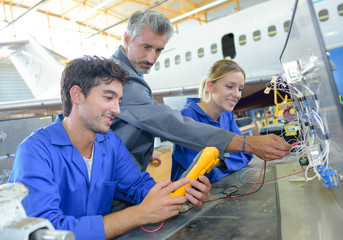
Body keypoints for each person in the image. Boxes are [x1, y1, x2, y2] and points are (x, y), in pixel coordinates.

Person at [8, 56, 211, 240]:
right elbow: (47, 232)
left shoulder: (109, 142)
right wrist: (140, 213)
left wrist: (181, 194)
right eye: (108, 97)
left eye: (119, 100)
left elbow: (139, 186)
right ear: (77, 95)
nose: (117, 110)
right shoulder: (34, 152)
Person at [110, 10, 290, 173]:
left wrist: (141, 151)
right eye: (146, 47)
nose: (151, 58)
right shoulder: (118, 77)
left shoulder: (132, 73)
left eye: (158, 50)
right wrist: (247, 143)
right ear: (126, 39)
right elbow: (168, 124)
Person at [172, 60, 253, 183]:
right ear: (210, 86)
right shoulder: (188, 116)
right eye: (229, 87)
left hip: (221, 186)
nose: (237, 94)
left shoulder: (227, 115)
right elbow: (197, 172)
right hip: (188, 194)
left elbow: (246, 154)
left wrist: (218, 161)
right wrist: (230, 162)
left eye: (240, 89)